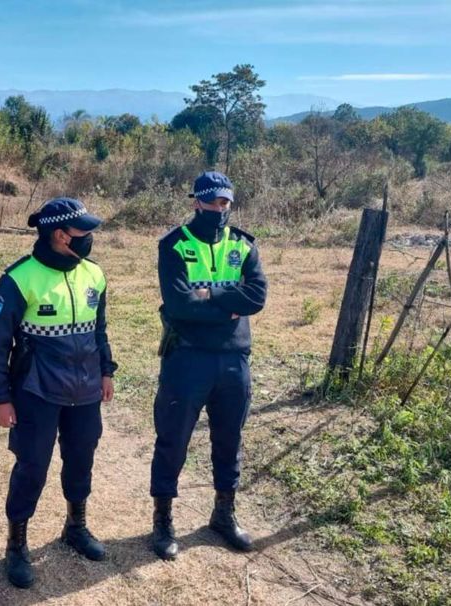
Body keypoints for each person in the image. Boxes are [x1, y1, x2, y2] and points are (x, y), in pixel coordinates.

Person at [0, 197, 118, 589]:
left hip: (86, 389)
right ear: (60, 235)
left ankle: (76, 526)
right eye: (83, 232)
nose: (89, 239)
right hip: (35, 392)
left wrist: (106, 371)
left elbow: (100, 330)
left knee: (81, 458)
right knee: (32, 467)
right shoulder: (19, 278)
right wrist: (0, 397)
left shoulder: (94, 274)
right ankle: (16, 544)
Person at [148, 171, 268, 560]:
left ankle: (223, 514)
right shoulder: (174, 245)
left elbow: (258, 296)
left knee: (229, 440)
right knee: (173, 440)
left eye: (225, 202)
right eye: (213, 201)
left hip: (234, 360)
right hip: (186, 358)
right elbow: (179, 304)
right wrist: (230, 307)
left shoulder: (244, 244)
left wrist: (211, 293)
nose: (220, 209)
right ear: (195, 201)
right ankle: (163, 519)